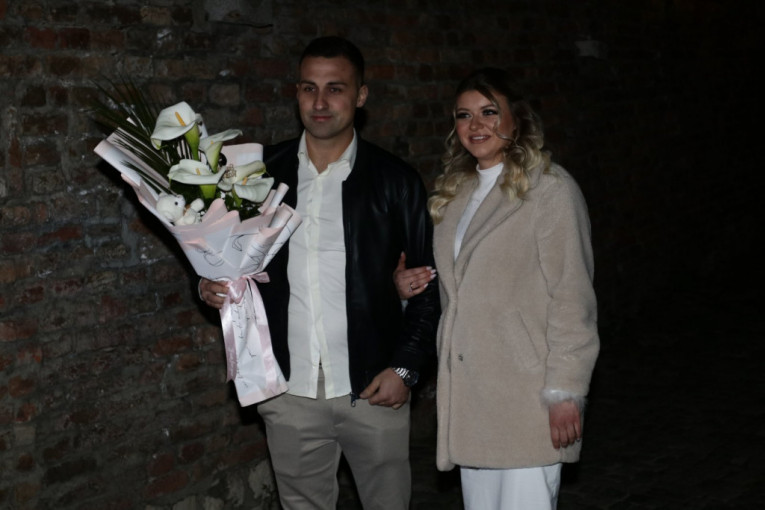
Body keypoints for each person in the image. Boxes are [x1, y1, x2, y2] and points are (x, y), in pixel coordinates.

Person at [199, 36, 439, 510]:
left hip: (373, 388)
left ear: (361, 95)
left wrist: (405, 368)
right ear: (297, 93)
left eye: (335, 88)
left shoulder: (395, 180)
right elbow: (222, 256)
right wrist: (207, 283)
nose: (321, 102)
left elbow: (428, 286)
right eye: (309, 88)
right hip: (290, 391)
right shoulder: (258, 175)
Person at [394, 68, 599, 509]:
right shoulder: (455, 194)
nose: (476, 125)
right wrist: (409, 287)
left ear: (515, 119)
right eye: (464, 115)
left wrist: (565, 390)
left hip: (527, 395)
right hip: (472, 395)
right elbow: (455, 290)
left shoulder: (551, 189)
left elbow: (572, 297)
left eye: (489, 112)